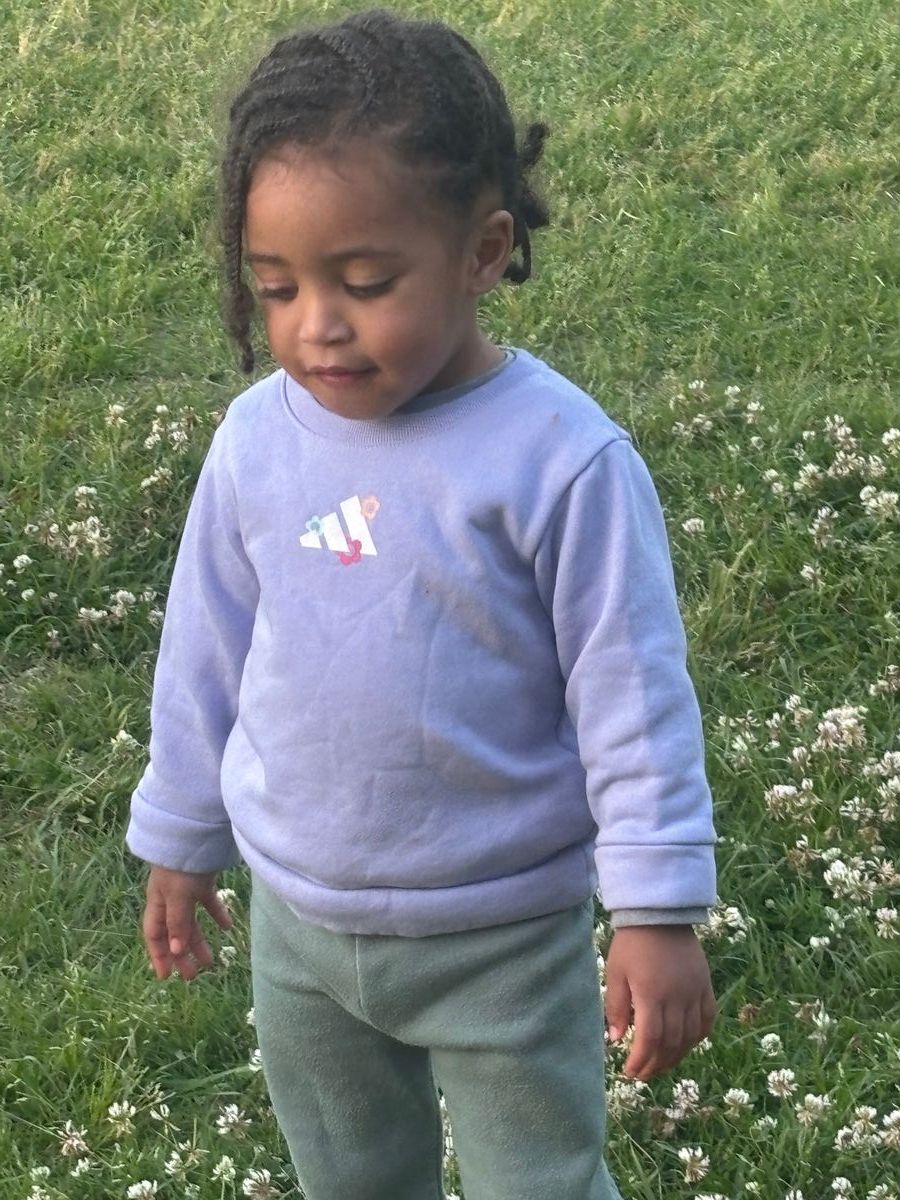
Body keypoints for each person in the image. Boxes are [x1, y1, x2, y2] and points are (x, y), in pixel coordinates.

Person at [126, 8, 719, 1199]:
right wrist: (180, 835)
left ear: (484, 252)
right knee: (348, 1179)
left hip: (499, 936)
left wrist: (656, 910)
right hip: (300, 926)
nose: (316, 326)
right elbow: (206, 652)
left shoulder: (560, 463)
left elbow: (633, 695)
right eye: (276, 287)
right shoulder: (255, 443)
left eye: (366, 282)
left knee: (539, 1184)